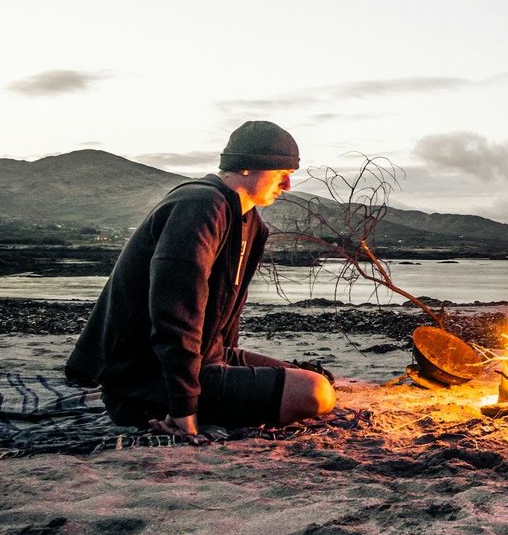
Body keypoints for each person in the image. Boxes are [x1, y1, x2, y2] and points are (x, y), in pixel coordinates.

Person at [65, 121, 335, 441]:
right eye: (280, 172)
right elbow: (175, 314)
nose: (288, 185)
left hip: (208, 359)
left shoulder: (251, 223)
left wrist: (228, 370)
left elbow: (226, 316)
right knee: (314, 393)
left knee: (315, 378)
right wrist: (183, 409)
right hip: (145, 380)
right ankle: (171, 406)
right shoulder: (199, 205)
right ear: (247, 166)